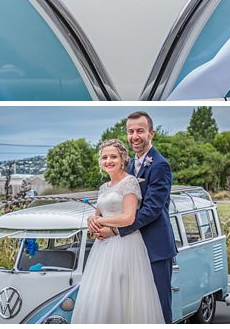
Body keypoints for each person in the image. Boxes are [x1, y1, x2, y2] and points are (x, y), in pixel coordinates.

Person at [85, 111, 176, 322]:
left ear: (151, 133)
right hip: (128, 249)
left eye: (140, 131)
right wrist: (96, 221)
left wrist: (115, 229)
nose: (135, 136)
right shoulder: (129, 168)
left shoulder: (159, 165)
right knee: (129, 307)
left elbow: (152, 209)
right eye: (131, 131)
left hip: (154, 247)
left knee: (156, 308)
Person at [72, 138, 164, 324]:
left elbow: (129, 217)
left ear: (123, 159)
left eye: (113, 156)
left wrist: (101, 221)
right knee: (100, 295)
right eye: (104, 157)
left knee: (124, 295)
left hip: (126, 245)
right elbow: (97, 213)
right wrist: (92, 222)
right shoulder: (103, 188)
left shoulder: (130, 182)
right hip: (102, 249)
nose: (108, 161)